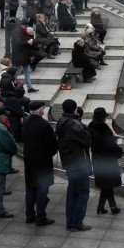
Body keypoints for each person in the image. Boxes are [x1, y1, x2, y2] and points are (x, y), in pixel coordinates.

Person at [55, 99, 92, 231]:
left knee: (72, 193)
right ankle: (77, 223)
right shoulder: (75, 125)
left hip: (68, 163)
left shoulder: (61, 122)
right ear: (75, 109)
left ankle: (70, 222)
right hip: (79, 163)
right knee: (83, 193)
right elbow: (87, 141)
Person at [22, 101, 57, 226]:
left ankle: (29, 215)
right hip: (43, 162)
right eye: (43, 108)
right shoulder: (44, 125)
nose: (44, 110)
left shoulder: (26, 121)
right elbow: (52, 143)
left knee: (30, 189)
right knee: (42, 190)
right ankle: (41, 217)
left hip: (30, 161)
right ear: (40, 110)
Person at [88, 107, 122, 215]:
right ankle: (110, 207)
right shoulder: (104, 129)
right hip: (107, 160)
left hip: (97, 159)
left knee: (106, 185)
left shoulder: (90, 126)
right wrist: (119, 151)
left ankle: (105, 207)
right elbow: (111, 145)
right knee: (107, 184)